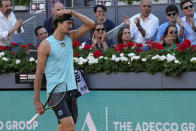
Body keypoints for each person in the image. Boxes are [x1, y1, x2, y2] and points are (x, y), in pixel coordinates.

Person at [34, 9, 94, 131]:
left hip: (71, 89)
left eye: (72, 23)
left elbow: (91, 24)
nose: (71, 26)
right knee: (70, 127)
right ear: (59, 23)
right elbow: (39, 74)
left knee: (63, 127)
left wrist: (72, 12)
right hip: (55, 93)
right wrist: (37, 100)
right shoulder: (46, 45)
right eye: (68, 23)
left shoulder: (70, 37)